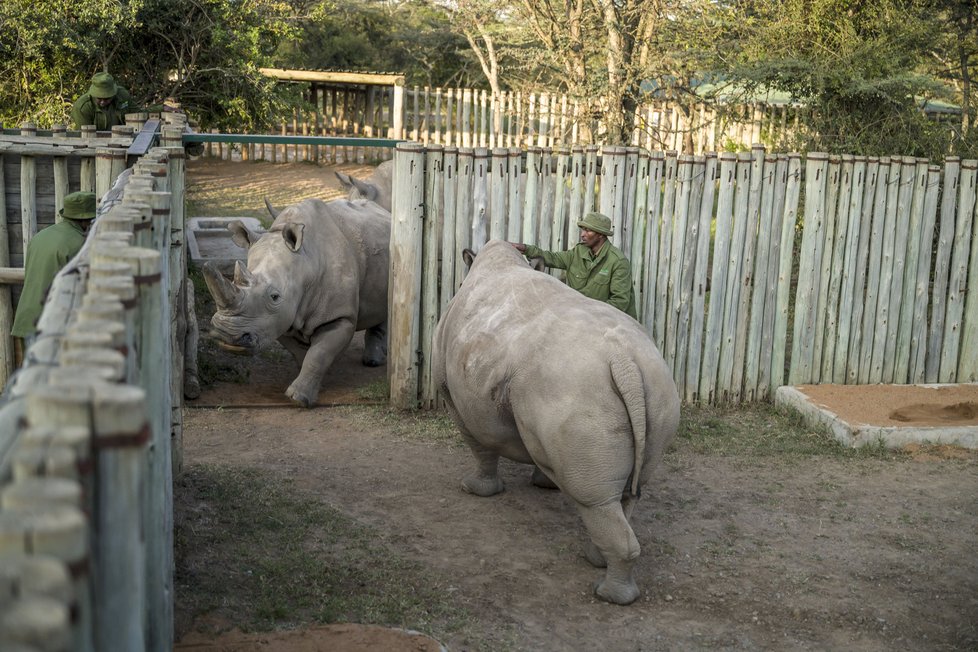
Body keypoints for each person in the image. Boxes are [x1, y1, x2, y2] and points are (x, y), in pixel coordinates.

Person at [12, 192, 98, 360]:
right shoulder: (81, 245)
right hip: (51, 324)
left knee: (31, 380)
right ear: (85, 220)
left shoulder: (40, 236)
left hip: (25, 318)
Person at [509, 211, 637, 319]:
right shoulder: (578, 252)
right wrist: (526, 248)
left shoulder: (618, 262)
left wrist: (588, 313)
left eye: (588, 231)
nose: (582, 234)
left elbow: (620, 302)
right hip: (579, 318)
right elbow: (553, 258)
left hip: (610, 324)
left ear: (601, 235)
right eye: (583, 230)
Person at [70, 72, 136, 130]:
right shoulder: (83, 107)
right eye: (99, 98)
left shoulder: (122, 96)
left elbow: (137, 114)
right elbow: (85, 135)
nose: (102, 102)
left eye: (107, 99)